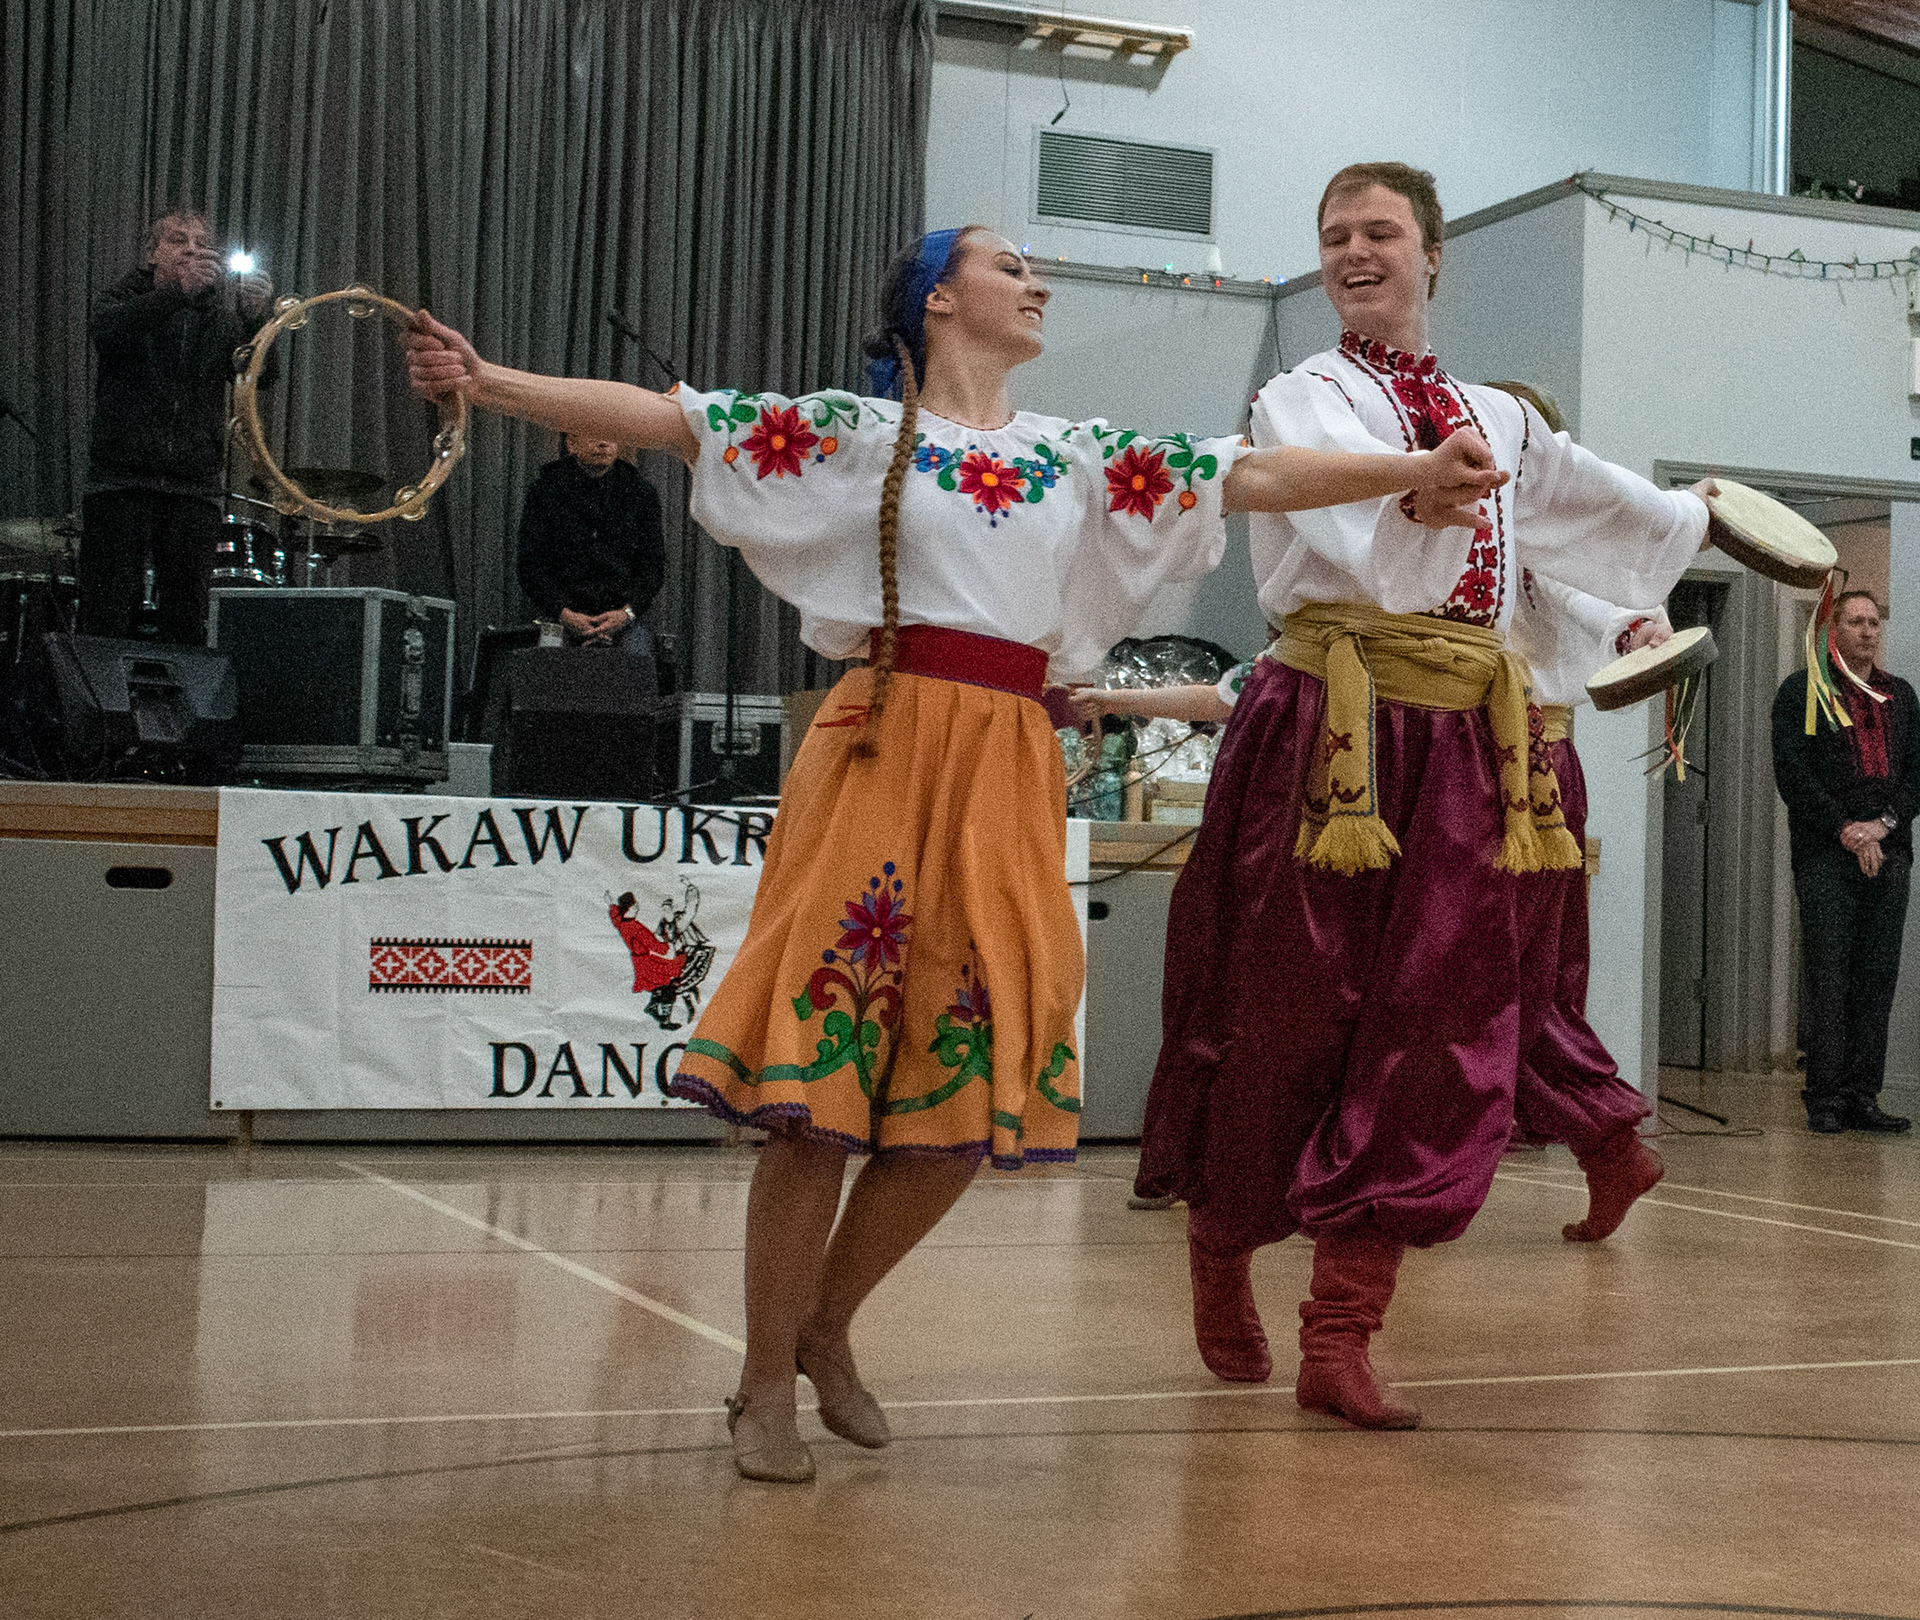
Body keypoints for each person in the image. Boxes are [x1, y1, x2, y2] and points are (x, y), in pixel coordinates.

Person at [406, 223, 1506, 1482]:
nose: (1036, 284)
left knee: (968, 1090)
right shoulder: (857, 434)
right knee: (819, 1088)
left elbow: (1249, 473)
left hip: (1008, 762)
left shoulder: (1076, 456)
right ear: (936, 299)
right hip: (882, 746)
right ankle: (762, 1382)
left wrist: (1412, 466)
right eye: (1007, 266)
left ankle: (826, 1325)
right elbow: (670, 422)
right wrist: (488, 383)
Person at [1133, 162, 1717, 1430]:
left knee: (1437, 1032)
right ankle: (1221, 1246)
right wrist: (1416, 483)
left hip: (1462, 745)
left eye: (1380, 231)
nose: (1355, 251)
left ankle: (1341, 1331)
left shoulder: (1502, 417)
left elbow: (1588, 503)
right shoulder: (1302, 392)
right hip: (1325, 730)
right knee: (1277, 1013)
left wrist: (1691, 517)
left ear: (1433, 254)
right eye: (1335, 233)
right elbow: (1341, 507)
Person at [80, 211, 276, 645]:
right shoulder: (122, 299)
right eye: (178, 240)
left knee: (185, 624)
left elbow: (260, 377)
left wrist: (255, 321)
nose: (192, 249)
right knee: (104, 618)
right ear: (152, 254)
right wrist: (177, 292)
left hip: (193, 488)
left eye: (201, 243)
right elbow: (110, 333)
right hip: (121, 482)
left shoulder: (221, 317)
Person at [1772, 589, 1918, 1134]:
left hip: (1890, 850)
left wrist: (1882, 826)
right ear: (1833, 630)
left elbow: (1915, 773)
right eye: (1856, 622)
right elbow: (1794, 774)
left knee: (1876, 976)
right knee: (1829, 974)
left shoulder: (1900, 696)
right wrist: (1848, 831)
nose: (1867, 631)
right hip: (1825, 853)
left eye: (1874, 622)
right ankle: (1826, 1098)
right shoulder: (1803, 691)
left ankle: (1862, 1096)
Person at [515, 433, 665, 680]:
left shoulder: (640, 493)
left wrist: (626, 614)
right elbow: (530, 565)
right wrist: (564, 613)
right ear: (572, 443)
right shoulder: (545, 490)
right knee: (547, 680)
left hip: (622, 615)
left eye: (610, 435)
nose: (604, 442)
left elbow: (653, 568)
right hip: (562, 614)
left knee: (637, 676)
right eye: (593, 434)